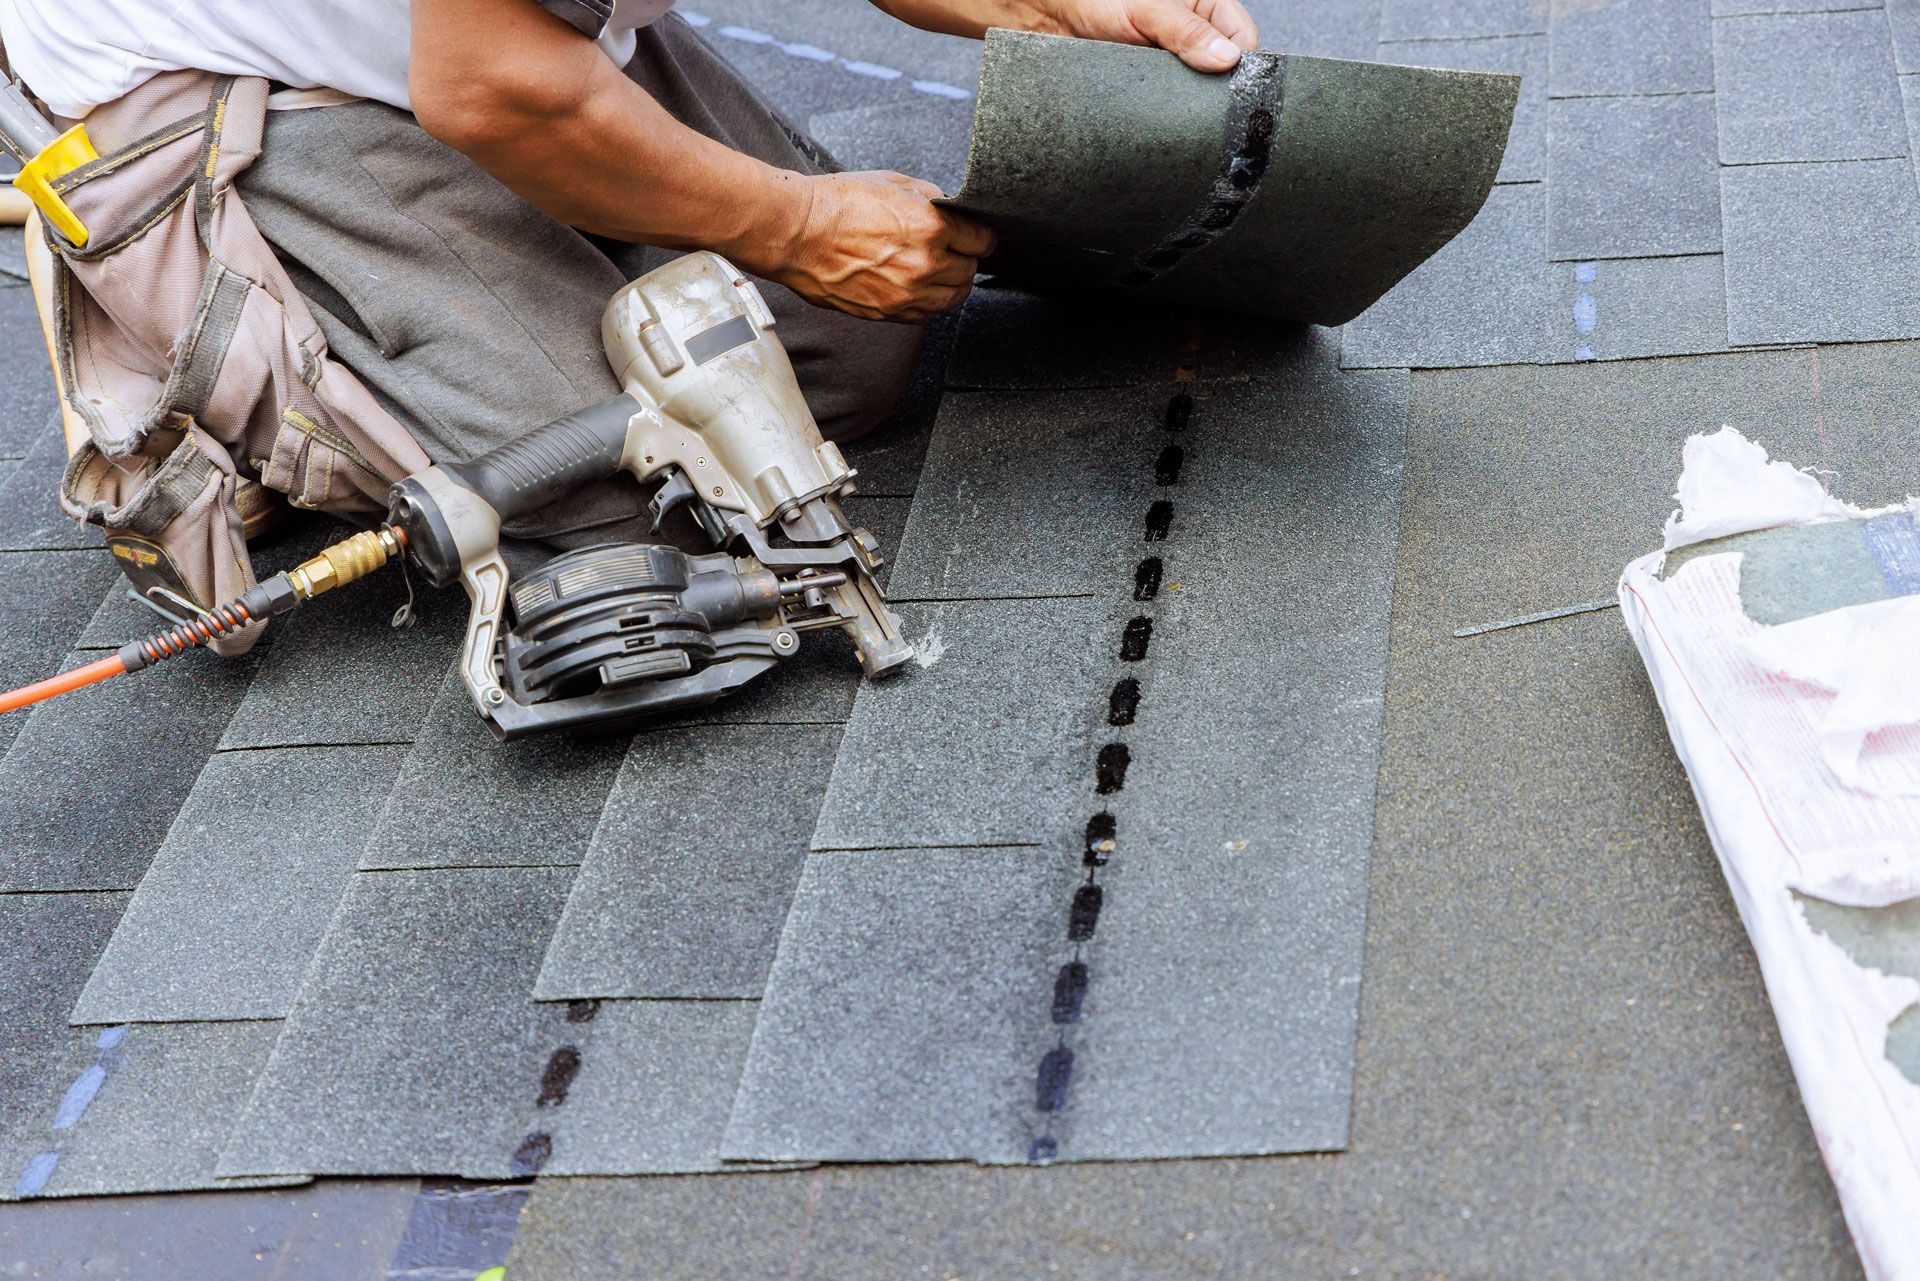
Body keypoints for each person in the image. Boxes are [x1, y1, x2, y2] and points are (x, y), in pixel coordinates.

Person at [0, 0, 1258, 542]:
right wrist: (802, 225)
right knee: (601, 487)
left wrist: (1077, 11)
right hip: (215, 83)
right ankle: (191, 332)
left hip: (477, 35)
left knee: (836, 353)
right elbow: (489, 86)